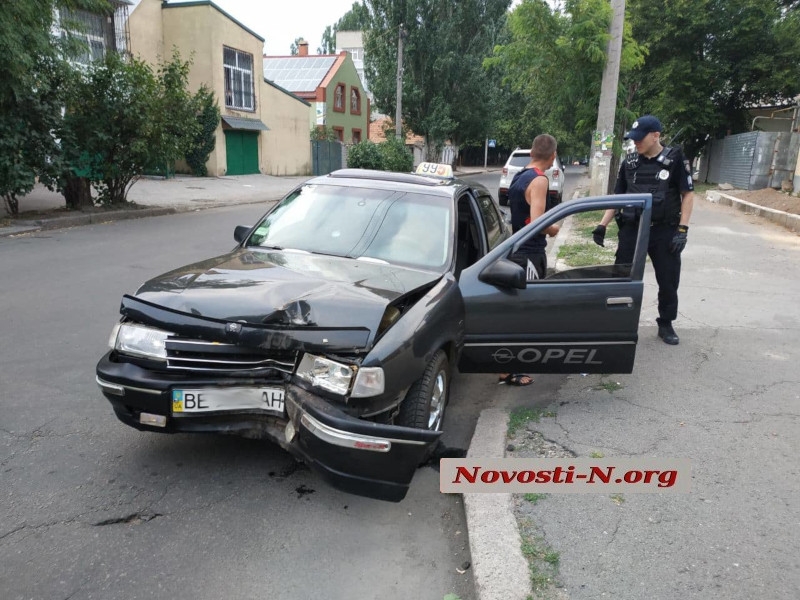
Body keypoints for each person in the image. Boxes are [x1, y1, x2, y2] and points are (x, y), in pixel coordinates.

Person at [591, 115, 694, 345]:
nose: (635, 142)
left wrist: (683, 229)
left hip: (663, 230)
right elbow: (619, 197)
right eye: (633, 139)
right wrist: (602, 224)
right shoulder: (629, 163)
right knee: (621, 276)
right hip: (632, 229)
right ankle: (618, 322)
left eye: (640, 138)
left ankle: (666, 323)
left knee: (668, 279)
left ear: (655, 135)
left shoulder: (675, 159)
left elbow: (687, 194)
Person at [499, 134, 561, 386]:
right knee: (526, 312)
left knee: (517, 310)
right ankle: (509, 370)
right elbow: (537, 223)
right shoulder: (539, 180)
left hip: (517, 250)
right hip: (530, 253)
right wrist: (554, 228)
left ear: (532, 153)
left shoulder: (519, 176)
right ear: (553, 156)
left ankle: (507, 366)